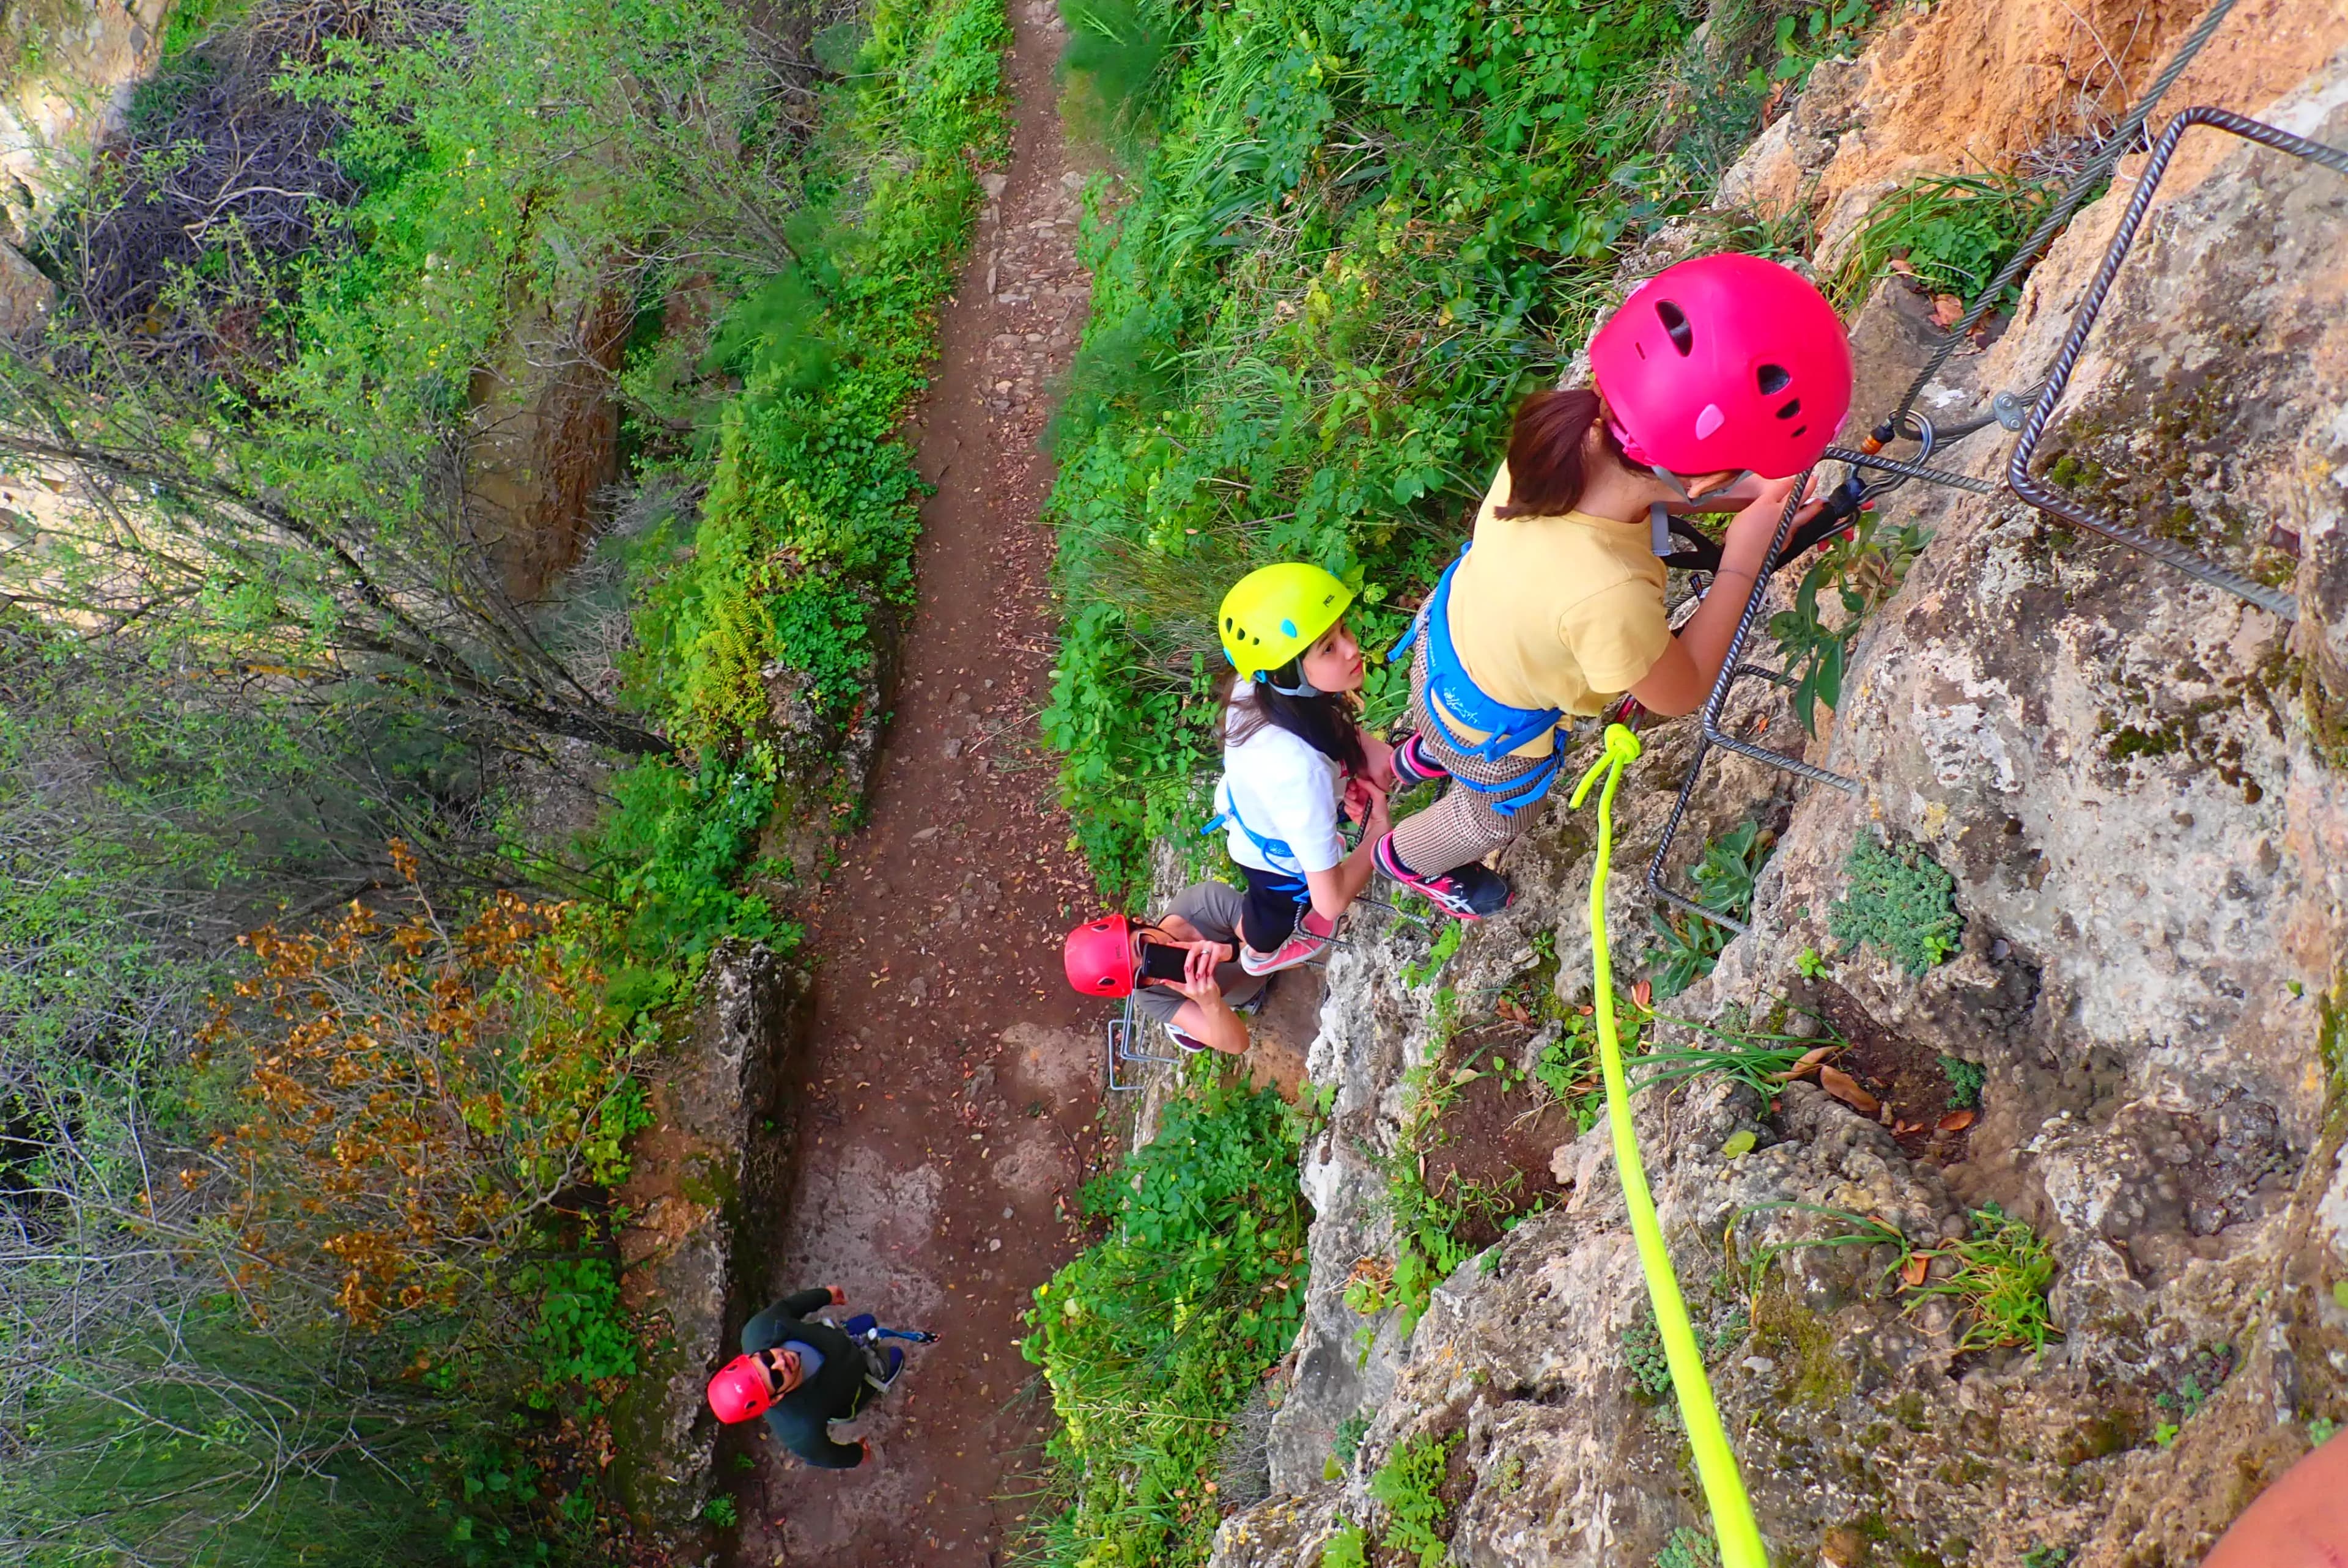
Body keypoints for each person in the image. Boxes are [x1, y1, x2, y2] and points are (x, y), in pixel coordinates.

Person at [1375, 252, 1853, 919]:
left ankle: (1420, 754)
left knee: (1453, 716)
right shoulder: (1607, 595)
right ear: (1705, 475)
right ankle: (1406, 859)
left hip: (1448, 643)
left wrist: (1743, 497)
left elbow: (1647, 487)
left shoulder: (1561, 439)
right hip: (1494, 730)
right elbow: (1680, 691)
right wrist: (1746, 554)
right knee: (1493, 820)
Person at [1211, 562, 1398, 974]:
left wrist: (1363, 750)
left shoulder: (1256, 686)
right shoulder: (1299, 771)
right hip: (1272, 859)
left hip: (1256, 810)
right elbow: (1329, 902)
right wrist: (1377, 833)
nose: (1351, 650)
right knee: (1272, 914)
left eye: (1344, 630)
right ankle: (1259, 956)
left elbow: (1317, 719)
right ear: (1287, 672)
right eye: (1328, 647)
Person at [704, 1286, 934, 1468]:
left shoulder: (760, 1330)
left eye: (766, 1359)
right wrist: (856, 1455)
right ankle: (873, 1372)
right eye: (775, 1378)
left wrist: (825, 1295)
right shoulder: (800, 1430)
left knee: (863, 1325)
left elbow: (788, 1307)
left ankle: (849, 1340)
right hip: (850, 1386)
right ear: (775, 1400)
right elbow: (825, 1456)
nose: (780, 1362)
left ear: (753, 1355)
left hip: (834, 1343)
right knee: (893, 1357)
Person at [1061, 889, 1267, 1055]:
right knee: (1208, 1026)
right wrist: (1210, 1004)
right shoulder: (1150, 996)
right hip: (1246, 994)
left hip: (1257, 969)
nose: (1154, 960)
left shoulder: (1204, 903)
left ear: (1140, 922)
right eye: (1143, 974)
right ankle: (1183, 1023)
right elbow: (1238, 1045)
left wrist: (1230, 952)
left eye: (1143, 947)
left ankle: (1183, 1021)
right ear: (1138, 986)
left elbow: (1290, 950)